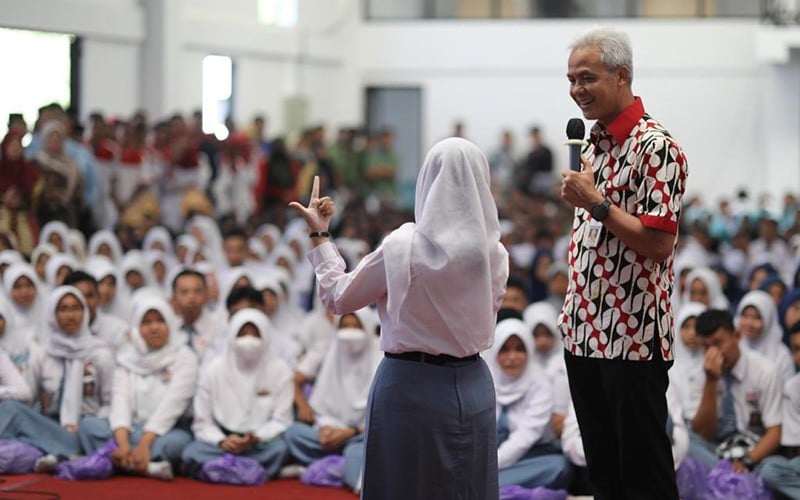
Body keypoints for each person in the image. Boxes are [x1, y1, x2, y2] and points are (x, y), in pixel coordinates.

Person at [289, 136, 509, 500]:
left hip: (409, 385)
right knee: (467, 487)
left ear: (426, 181)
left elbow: (338, 298)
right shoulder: (495, 254)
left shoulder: (403, 247)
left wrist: (319, 234)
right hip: (473, 385)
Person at [558, 27, 688, 499]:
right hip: (583, 332)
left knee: (645, 477)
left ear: (622, 75)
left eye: (587, 78)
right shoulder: (591, 143)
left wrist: (595, 204)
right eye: (571, 79)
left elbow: (658, 244)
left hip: (632, 337)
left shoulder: (656, 147)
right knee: (605, 477)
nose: (577, 90)